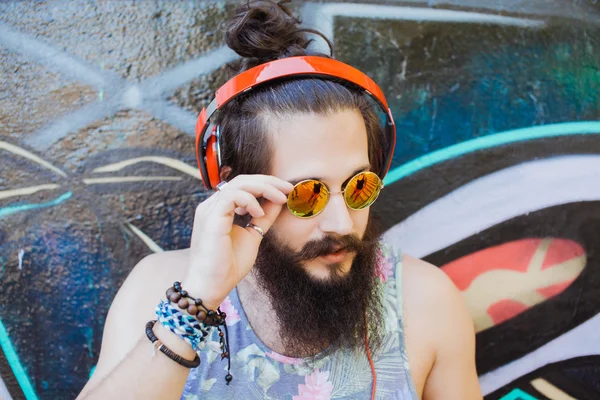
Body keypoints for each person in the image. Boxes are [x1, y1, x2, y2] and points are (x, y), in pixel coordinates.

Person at [77, 1, 482, 399]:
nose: (341, 224)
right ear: (239, 191)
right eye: (307, 194)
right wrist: (195, 302)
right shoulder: (156, 289)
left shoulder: (425, 301)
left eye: (359, 186)